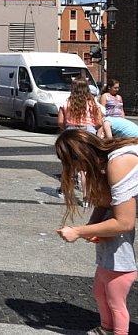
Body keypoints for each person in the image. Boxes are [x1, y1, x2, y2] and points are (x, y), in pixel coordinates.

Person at [55, 130, 138, 335]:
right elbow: (108, 201)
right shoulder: (105, 163)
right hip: (109, 263)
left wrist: (78, 231)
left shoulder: (118, 162)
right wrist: (93, 224)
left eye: (72, 163)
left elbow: (124, 222)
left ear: (81, 155)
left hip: (121, 264)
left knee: (116, 303)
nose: (74, 169)